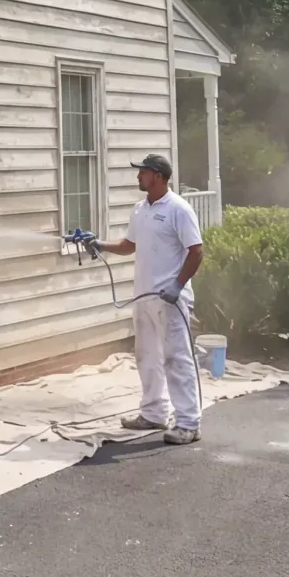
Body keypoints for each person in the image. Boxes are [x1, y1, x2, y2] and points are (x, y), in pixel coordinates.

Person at [95, 153, 206, 443]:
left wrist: (178, 286)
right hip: (143, 297)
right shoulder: (139, 209)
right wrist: (100, 245)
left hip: (170, 299)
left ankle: (189, 423)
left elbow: (196, 251)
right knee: (147, 357)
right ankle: (154, 413)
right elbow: (129, 245)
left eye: (142, 172)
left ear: (157, 176)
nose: (138, 176)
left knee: (177, 359)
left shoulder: (179, 209)